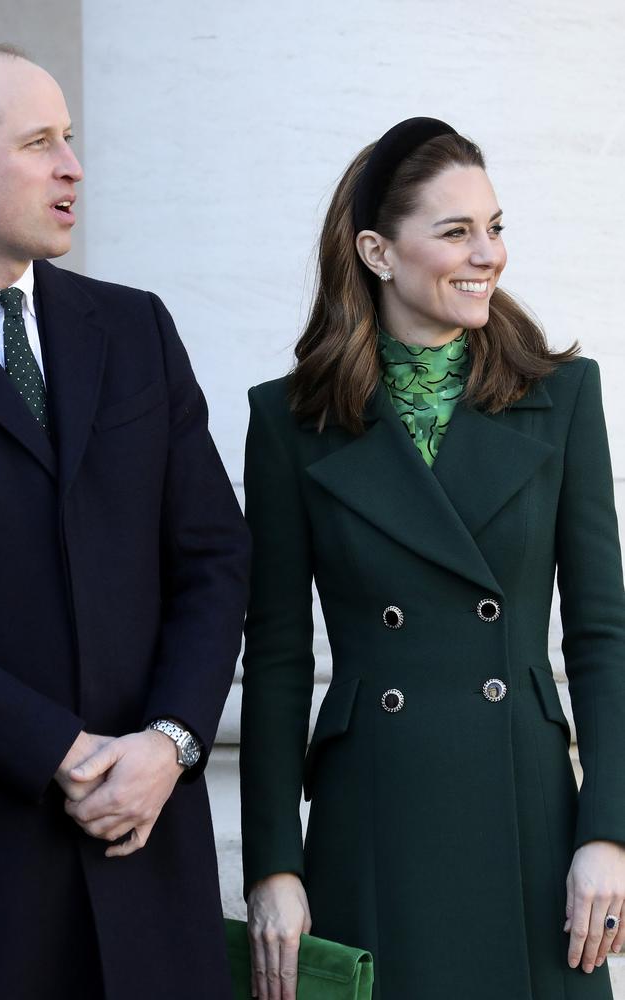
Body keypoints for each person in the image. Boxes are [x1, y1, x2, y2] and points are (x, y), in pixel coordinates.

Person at [239, 117, 625, 1000]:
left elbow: (602, 633)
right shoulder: (288, 422)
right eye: (455, 231)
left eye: (495, 227)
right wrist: (273, 863)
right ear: (377, 251)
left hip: (529, 821)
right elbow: (277, 655)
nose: (487, 253)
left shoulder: (562, 397)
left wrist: (608, 829)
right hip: (372, 815)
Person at [0, 42, 250, 1000]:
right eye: (39, 142)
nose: (73, 167)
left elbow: (215, 557)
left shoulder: (135, 328)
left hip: (149, 868)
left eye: (73, 138)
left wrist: (171, 742)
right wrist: (59, 750)